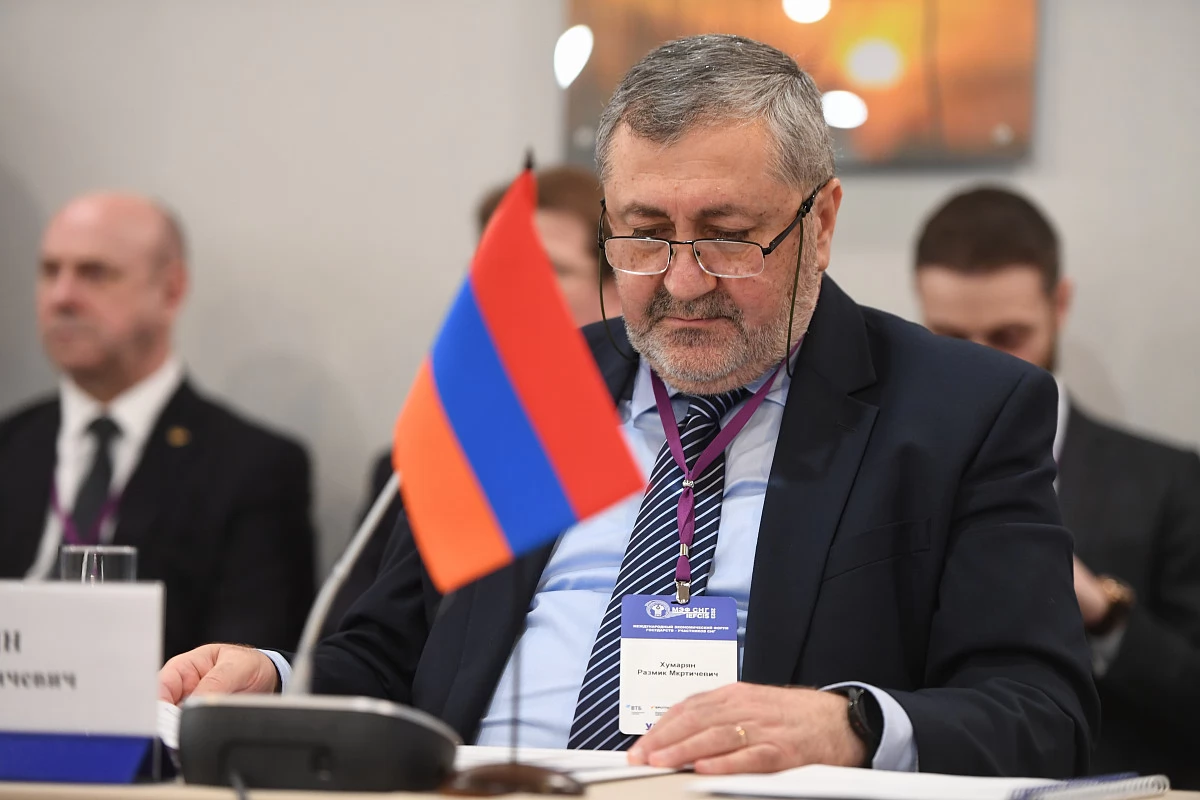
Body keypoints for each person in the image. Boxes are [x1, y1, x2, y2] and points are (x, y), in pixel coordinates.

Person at [161, 35, 1098, 777]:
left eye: (728, 237)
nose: (683, 283)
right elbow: (387, 655)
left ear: (819, 223)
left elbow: (1042, 713)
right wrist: (274, 682)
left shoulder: (958, 413)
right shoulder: (524, 390)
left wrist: (851, 725)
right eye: (644, 236)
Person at [913, 186, 1200, 787]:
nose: (983, 366)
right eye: (951, 336)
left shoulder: (1169, 481)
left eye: (1008, 336)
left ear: (1060, 304)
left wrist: (1106, 614)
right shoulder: (886, 472)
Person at [0, 192, 317, 658]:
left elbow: (246, 659)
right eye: (50, 271)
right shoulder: (10, 445)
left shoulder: (253, 468)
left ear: (170, 290)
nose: (62, 297)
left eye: (94, 273)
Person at [322, 165, 621, 634]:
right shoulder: (426, 465)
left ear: (619, 290)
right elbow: (352, 643)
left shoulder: (661, 450)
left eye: (550, 269)